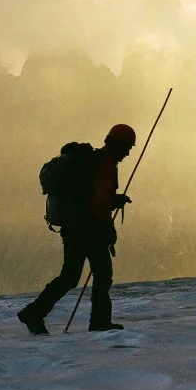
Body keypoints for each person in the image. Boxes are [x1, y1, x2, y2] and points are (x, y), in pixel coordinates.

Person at [17, 124, 135, 334]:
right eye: (127, 148)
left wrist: (112, 200)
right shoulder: (105, 164)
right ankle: (99, 322)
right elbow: (98, 200)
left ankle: (34, 312)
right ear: (118, 145)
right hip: (90, 229)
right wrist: (109, 216)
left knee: (70, 276)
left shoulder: (93, 162)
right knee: (102, 274)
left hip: (74, 227)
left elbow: (93, 196)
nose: (127, 153)